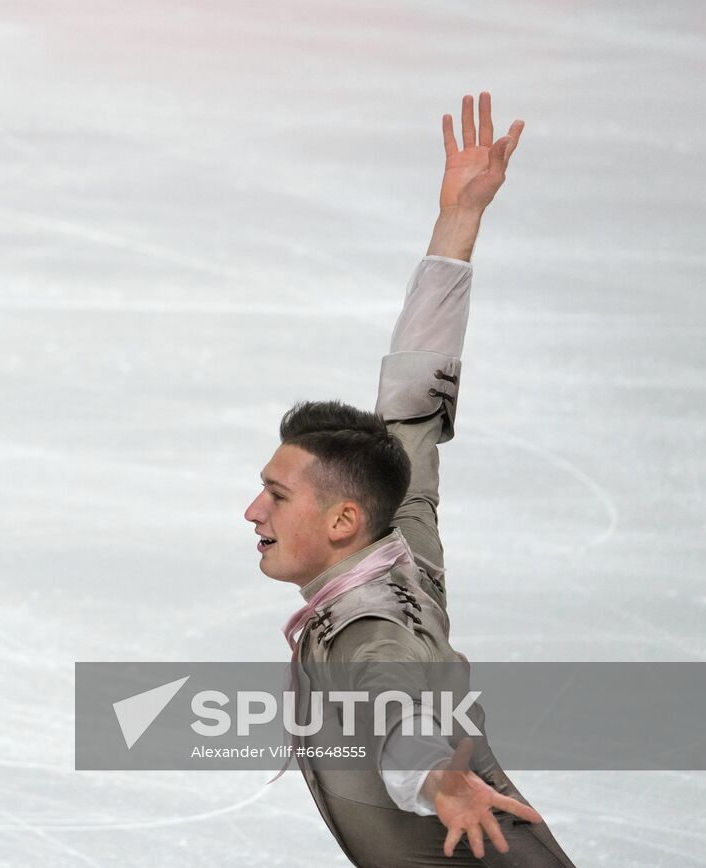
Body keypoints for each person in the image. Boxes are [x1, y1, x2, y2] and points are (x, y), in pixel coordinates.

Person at [245, 93, 576, 866]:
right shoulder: (403, 531)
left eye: (278, 495)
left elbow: (395, 705)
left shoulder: (364, 627)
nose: (254, 509)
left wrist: (438, 779)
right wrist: (458, 224)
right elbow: (412, 403)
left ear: (341, 522)